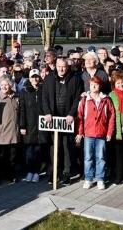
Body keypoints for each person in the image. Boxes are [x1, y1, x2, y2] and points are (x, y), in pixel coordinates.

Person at [41, 57, 84, 185]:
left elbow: (77, 99)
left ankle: (66, 173)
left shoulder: (75, 79)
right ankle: (54, 172)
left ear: (67, 67)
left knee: (67, 147)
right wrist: (47, 112)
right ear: (56, 66)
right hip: (53, 119)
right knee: (54, 147)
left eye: (64, 66)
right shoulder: (49, 78)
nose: (61, 69)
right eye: (59, 66)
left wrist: (71, 114)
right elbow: (44, 97)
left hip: (67, 119)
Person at [76, 77, 116, 190]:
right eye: (91, 84)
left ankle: (100, 179)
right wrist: (80, 132)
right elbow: (80, 117)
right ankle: (88, 178)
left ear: (100, 86)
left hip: (101, 134)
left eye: (96, 84)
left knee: (101, 157)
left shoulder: (106, 99)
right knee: (88, 157)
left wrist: (109, 132)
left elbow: (111, 116)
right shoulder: (85, 99)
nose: (93, 87)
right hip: (88, 134)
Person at [0, 76, 20, 184]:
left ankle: (10, 175)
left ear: (10, 85)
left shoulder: (16, 96)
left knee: (12, 156)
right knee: (0, 156)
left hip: (13, 132)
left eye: (6, 84)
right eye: (2, 85)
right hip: (1, 133)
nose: (4, 87)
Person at [19, 69, 46, 183]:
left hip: (41, 125)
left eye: (37, 76)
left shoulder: (43, 90)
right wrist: (22, 125)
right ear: (29, 79)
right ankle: (30, 171)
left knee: (39, 150)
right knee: (29, 151)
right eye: (33, 77)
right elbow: (22, 109)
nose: (35, 79)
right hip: (29, 125)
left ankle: (36, 172)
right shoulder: (24, 91)